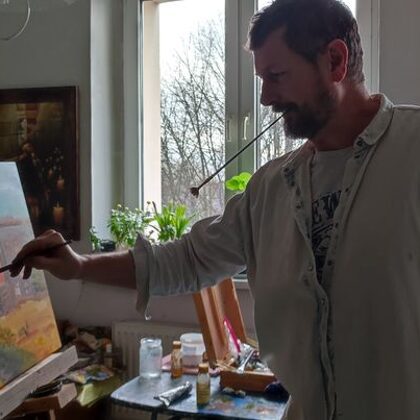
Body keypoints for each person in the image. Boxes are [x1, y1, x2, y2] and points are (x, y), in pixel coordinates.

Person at [10, 1, 420, 419]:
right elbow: (186, 260)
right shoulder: (271, 188)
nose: (266, 97)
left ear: (335, 60)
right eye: (261, 80)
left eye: (277, 76)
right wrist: (79, 266)